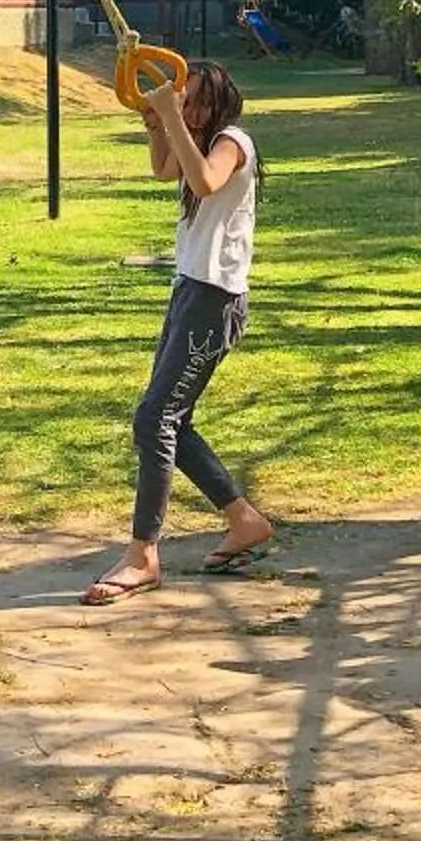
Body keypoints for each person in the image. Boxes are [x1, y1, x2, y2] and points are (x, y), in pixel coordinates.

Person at [84, 60, 276, 604]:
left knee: (155, 417)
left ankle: (143, 554)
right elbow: (166, 170)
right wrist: (156, 123)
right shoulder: (201, 139)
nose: (183, 108)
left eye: (189, 100)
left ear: (212, 103)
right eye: (180, 99)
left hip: (214, 302)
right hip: (190, 292)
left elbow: (203, 178)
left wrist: (169, 114)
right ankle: (244, 521)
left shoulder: (233, 141)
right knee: (169, 420)